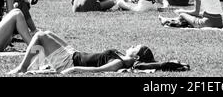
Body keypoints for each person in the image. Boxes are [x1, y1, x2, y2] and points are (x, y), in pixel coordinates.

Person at [8, 31, 155, 74]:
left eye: (135, 46)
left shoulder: (119, 62)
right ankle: (35, 66)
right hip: (74, 53)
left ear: (135, 56)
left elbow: (97, 70)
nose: (132, 45)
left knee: (40, 37)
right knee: (45, 33)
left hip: (70, 62)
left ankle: (23, 67)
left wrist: (74, 69)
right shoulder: (121, 56)